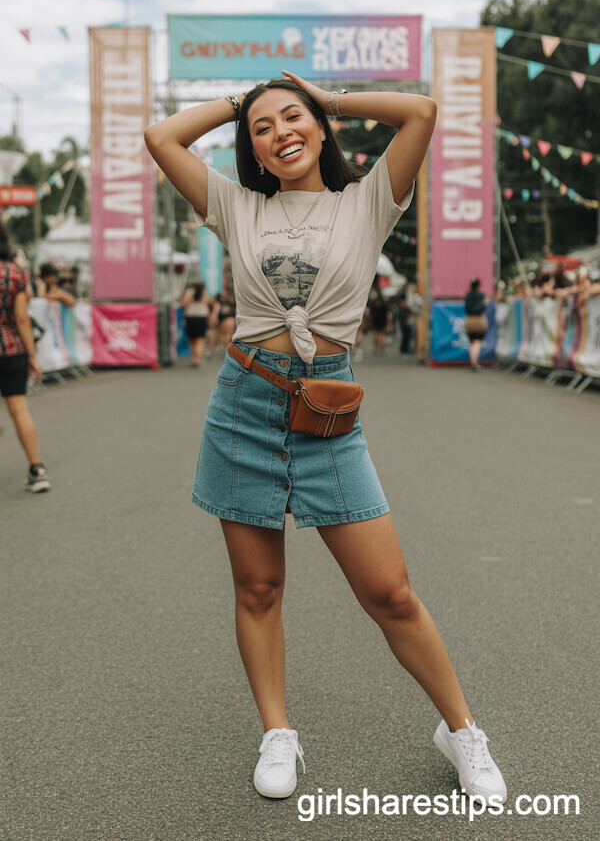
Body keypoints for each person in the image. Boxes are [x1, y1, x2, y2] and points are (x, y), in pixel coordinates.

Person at [144, 74, 506, 805]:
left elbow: (422, 111)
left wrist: (323, 94)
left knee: (391, 593)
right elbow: (161, 138)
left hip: (328, 413)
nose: (281, 133)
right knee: (258, 588)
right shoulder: (234, 205)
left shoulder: (368, 200)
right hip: (244, 404)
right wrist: (240, 103)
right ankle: (278, 731)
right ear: (252, 149)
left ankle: (462, 730)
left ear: (320, 125)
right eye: (262, 129)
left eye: (293, 118)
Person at [0, 220, 50, 492]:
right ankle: (37, 468)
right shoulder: (15, 272)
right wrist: (32, 356)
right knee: (19, 409)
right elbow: (21, 318)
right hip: (11, 349)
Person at [180, 281, 214, 367]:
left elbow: (182, 303)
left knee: (192, 339)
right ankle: (198, 359)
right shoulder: (205, 294)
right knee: (200, 339)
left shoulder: (188, 292)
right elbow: (210, 305)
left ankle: (194, 358)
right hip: (201, 318)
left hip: (190, 317)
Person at [464, 278, 488, 371]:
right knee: (477, 342)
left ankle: (473, 361)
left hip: (469, 320)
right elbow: (484, 306)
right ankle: (474, 361)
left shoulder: (468, 296)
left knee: (472, 342)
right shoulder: (482, 296)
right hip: (479, 320)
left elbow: (466, 308)